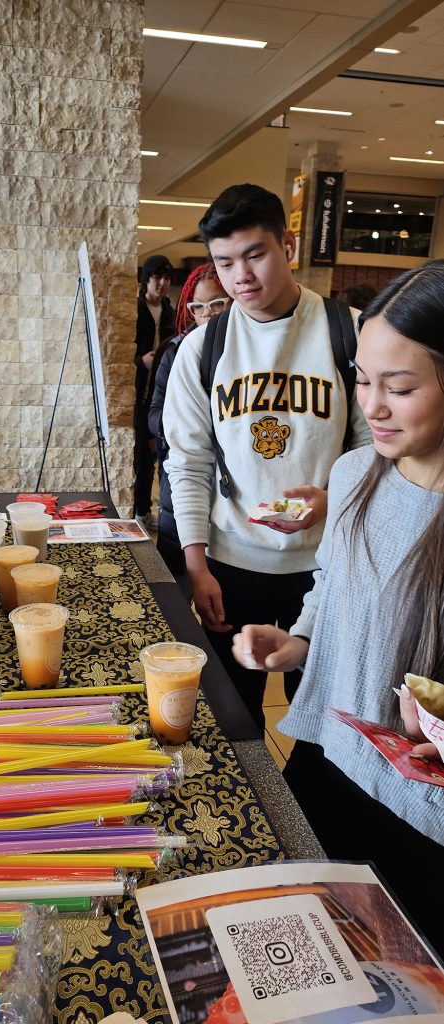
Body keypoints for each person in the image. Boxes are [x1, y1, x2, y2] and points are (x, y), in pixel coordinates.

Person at [232, 261, 444, 953]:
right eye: (361, 380)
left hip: (416, 812)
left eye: (399, 386)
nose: (371, 405)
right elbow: (333, 586)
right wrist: (297, 644)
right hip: (326, 762)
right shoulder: (353, 475)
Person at [163, 184, 370, 733]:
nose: (241, 277)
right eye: (224, 262)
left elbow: (377, 448)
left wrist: (333, 499)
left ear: (288, 243)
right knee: (231, 720)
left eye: (255, 254)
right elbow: (189, 461)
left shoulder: (348, 332)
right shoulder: (202, 347)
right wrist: (196, 562)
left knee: (326, 721)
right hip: (232, 564)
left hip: (330, 566)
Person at [149, 263, 231, 591]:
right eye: (198, 307)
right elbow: (154, 414)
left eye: (217, 304)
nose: (207, 314)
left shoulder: (249, 357)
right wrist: (182, 421)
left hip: (231, 502)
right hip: (179, 484)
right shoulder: (175, 350)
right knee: (173, 594)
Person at [133, 255, 175, 529]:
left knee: (160, 452)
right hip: (138, 392)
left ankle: (154, 511)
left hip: (164, 390)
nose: (161, 283)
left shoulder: (170, 309)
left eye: (166, 278)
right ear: (146, 279)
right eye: (156, 277)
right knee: (142, 456)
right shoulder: (135, 307)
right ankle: (139, 510)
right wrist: (140, 361)